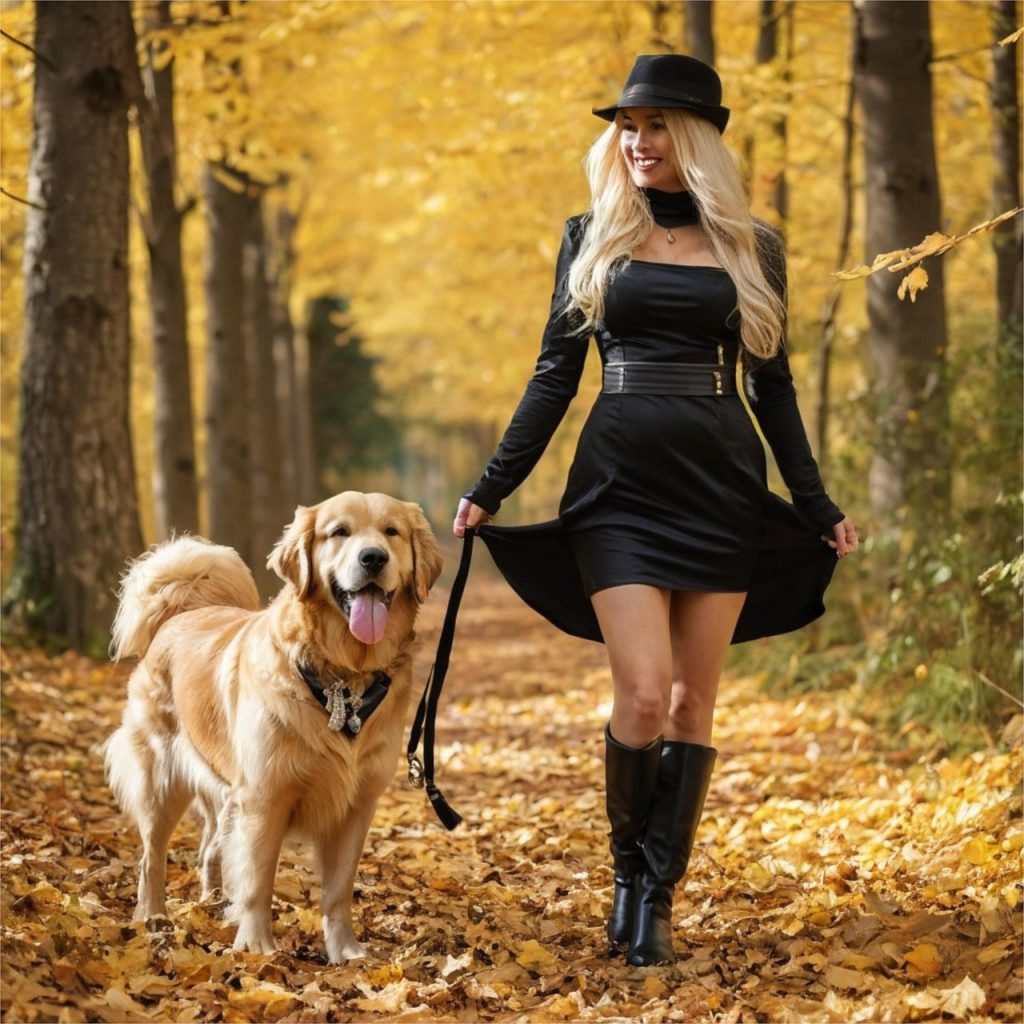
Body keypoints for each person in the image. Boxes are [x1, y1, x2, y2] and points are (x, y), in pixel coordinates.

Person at [453, 54, 858, 967]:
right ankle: (627, 875)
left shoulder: (755, 247)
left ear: (698, 139)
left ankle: (658, 895)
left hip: (719, 485)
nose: (638, 142)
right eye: (628, 127)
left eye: (658, 126)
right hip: (618, 489)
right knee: (639, 694)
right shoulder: (589, 236)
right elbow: (556, 373)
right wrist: (491, 485)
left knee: (691, 699)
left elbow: (775, 387)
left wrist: (814, 501)